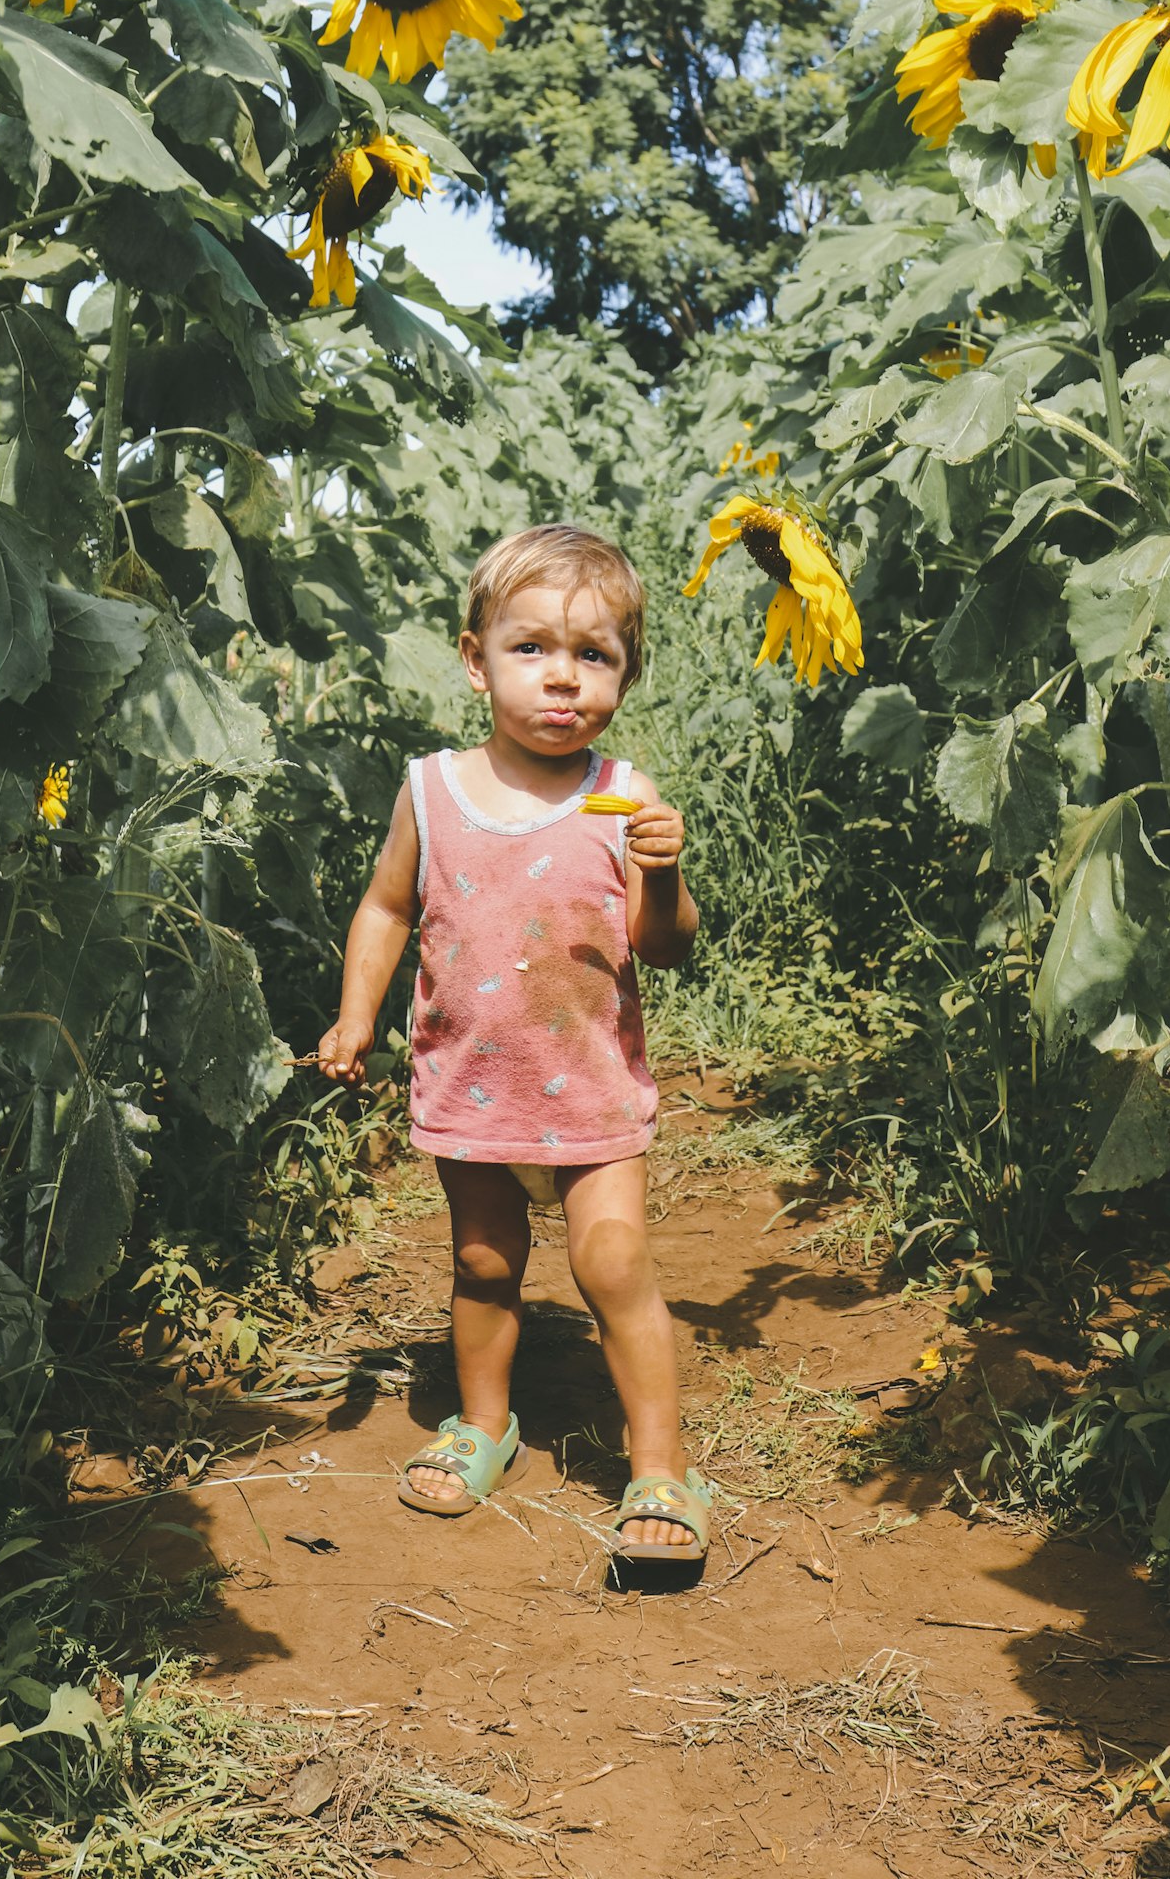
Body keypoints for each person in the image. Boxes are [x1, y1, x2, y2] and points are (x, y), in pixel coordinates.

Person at [317, 523, 708, 1562]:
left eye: (594, 657)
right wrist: (357, 1016)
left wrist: (661, 871)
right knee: (485, 1262)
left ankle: (660, 1468)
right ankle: (483, 1425)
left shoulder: (625, 797)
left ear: (626, 675)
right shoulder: (432, 790)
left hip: (587, 1082)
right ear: (473, 655)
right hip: (474, 1080)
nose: (562, 680)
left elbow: (661, 947)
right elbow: (386, 908)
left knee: (612, 1260)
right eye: (530, 648)